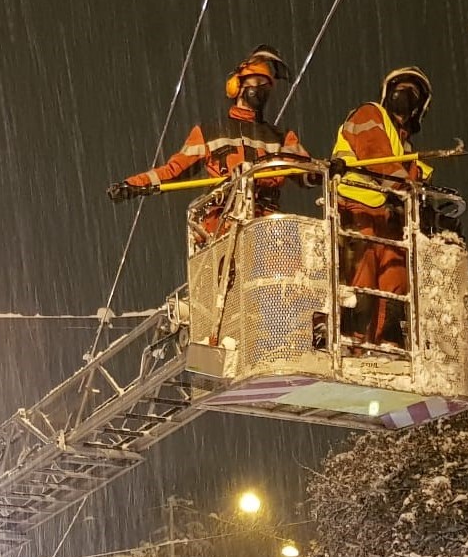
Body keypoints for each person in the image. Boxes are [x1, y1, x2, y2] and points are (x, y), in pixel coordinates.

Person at [109, 46, 308, 241]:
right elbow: (173, 171)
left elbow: (308, 172)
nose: (260, 90)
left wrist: (323, 170)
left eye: (265, 86)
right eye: (255, 82)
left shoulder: (281, 137)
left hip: (267, 224)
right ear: (236, 86)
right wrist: (133, 185)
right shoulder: (208, 133)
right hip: (223, 225)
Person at [331, 66, 435, 348]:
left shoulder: (404, 145)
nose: (406, 97)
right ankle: (351, 346)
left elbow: (412, 174)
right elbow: (378, 159)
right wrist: (407, 189)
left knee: (395, 284)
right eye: (401, 90)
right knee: (360, 287)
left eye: (413, 94)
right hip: (358, 211)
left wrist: (428, 200)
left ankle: (386, 346)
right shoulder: (370, 115)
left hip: (388, 221)